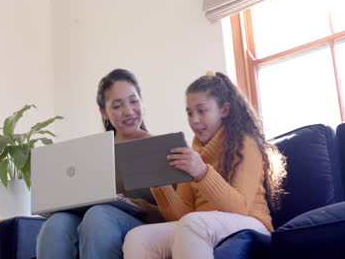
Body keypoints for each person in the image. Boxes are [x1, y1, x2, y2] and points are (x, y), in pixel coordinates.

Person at [122, 71, 287, 259]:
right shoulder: (193, 152)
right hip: (202, 225)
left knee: (193, 224)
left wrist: (201, 173)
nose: (194, 120)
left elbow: (239, 207)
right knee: (138, 237)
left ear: (224, 110)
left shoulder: (246, 144)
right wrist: (160, 186)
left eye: (202, 111)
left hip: (251, 223)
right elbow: (181, 217)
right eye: (189, 113)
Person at [36, 68, 162, 259]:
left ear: (142, 103)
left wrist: (133, 204)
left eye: (134, 101)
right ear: (104, 112)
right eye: (117, 105)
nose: (128, 111)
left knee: (99, 215)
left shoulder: (161, 147)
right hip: (94, 218)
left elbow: (174, 211)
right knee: (57, 224)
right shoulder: (92, 152)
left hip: (137, 223)